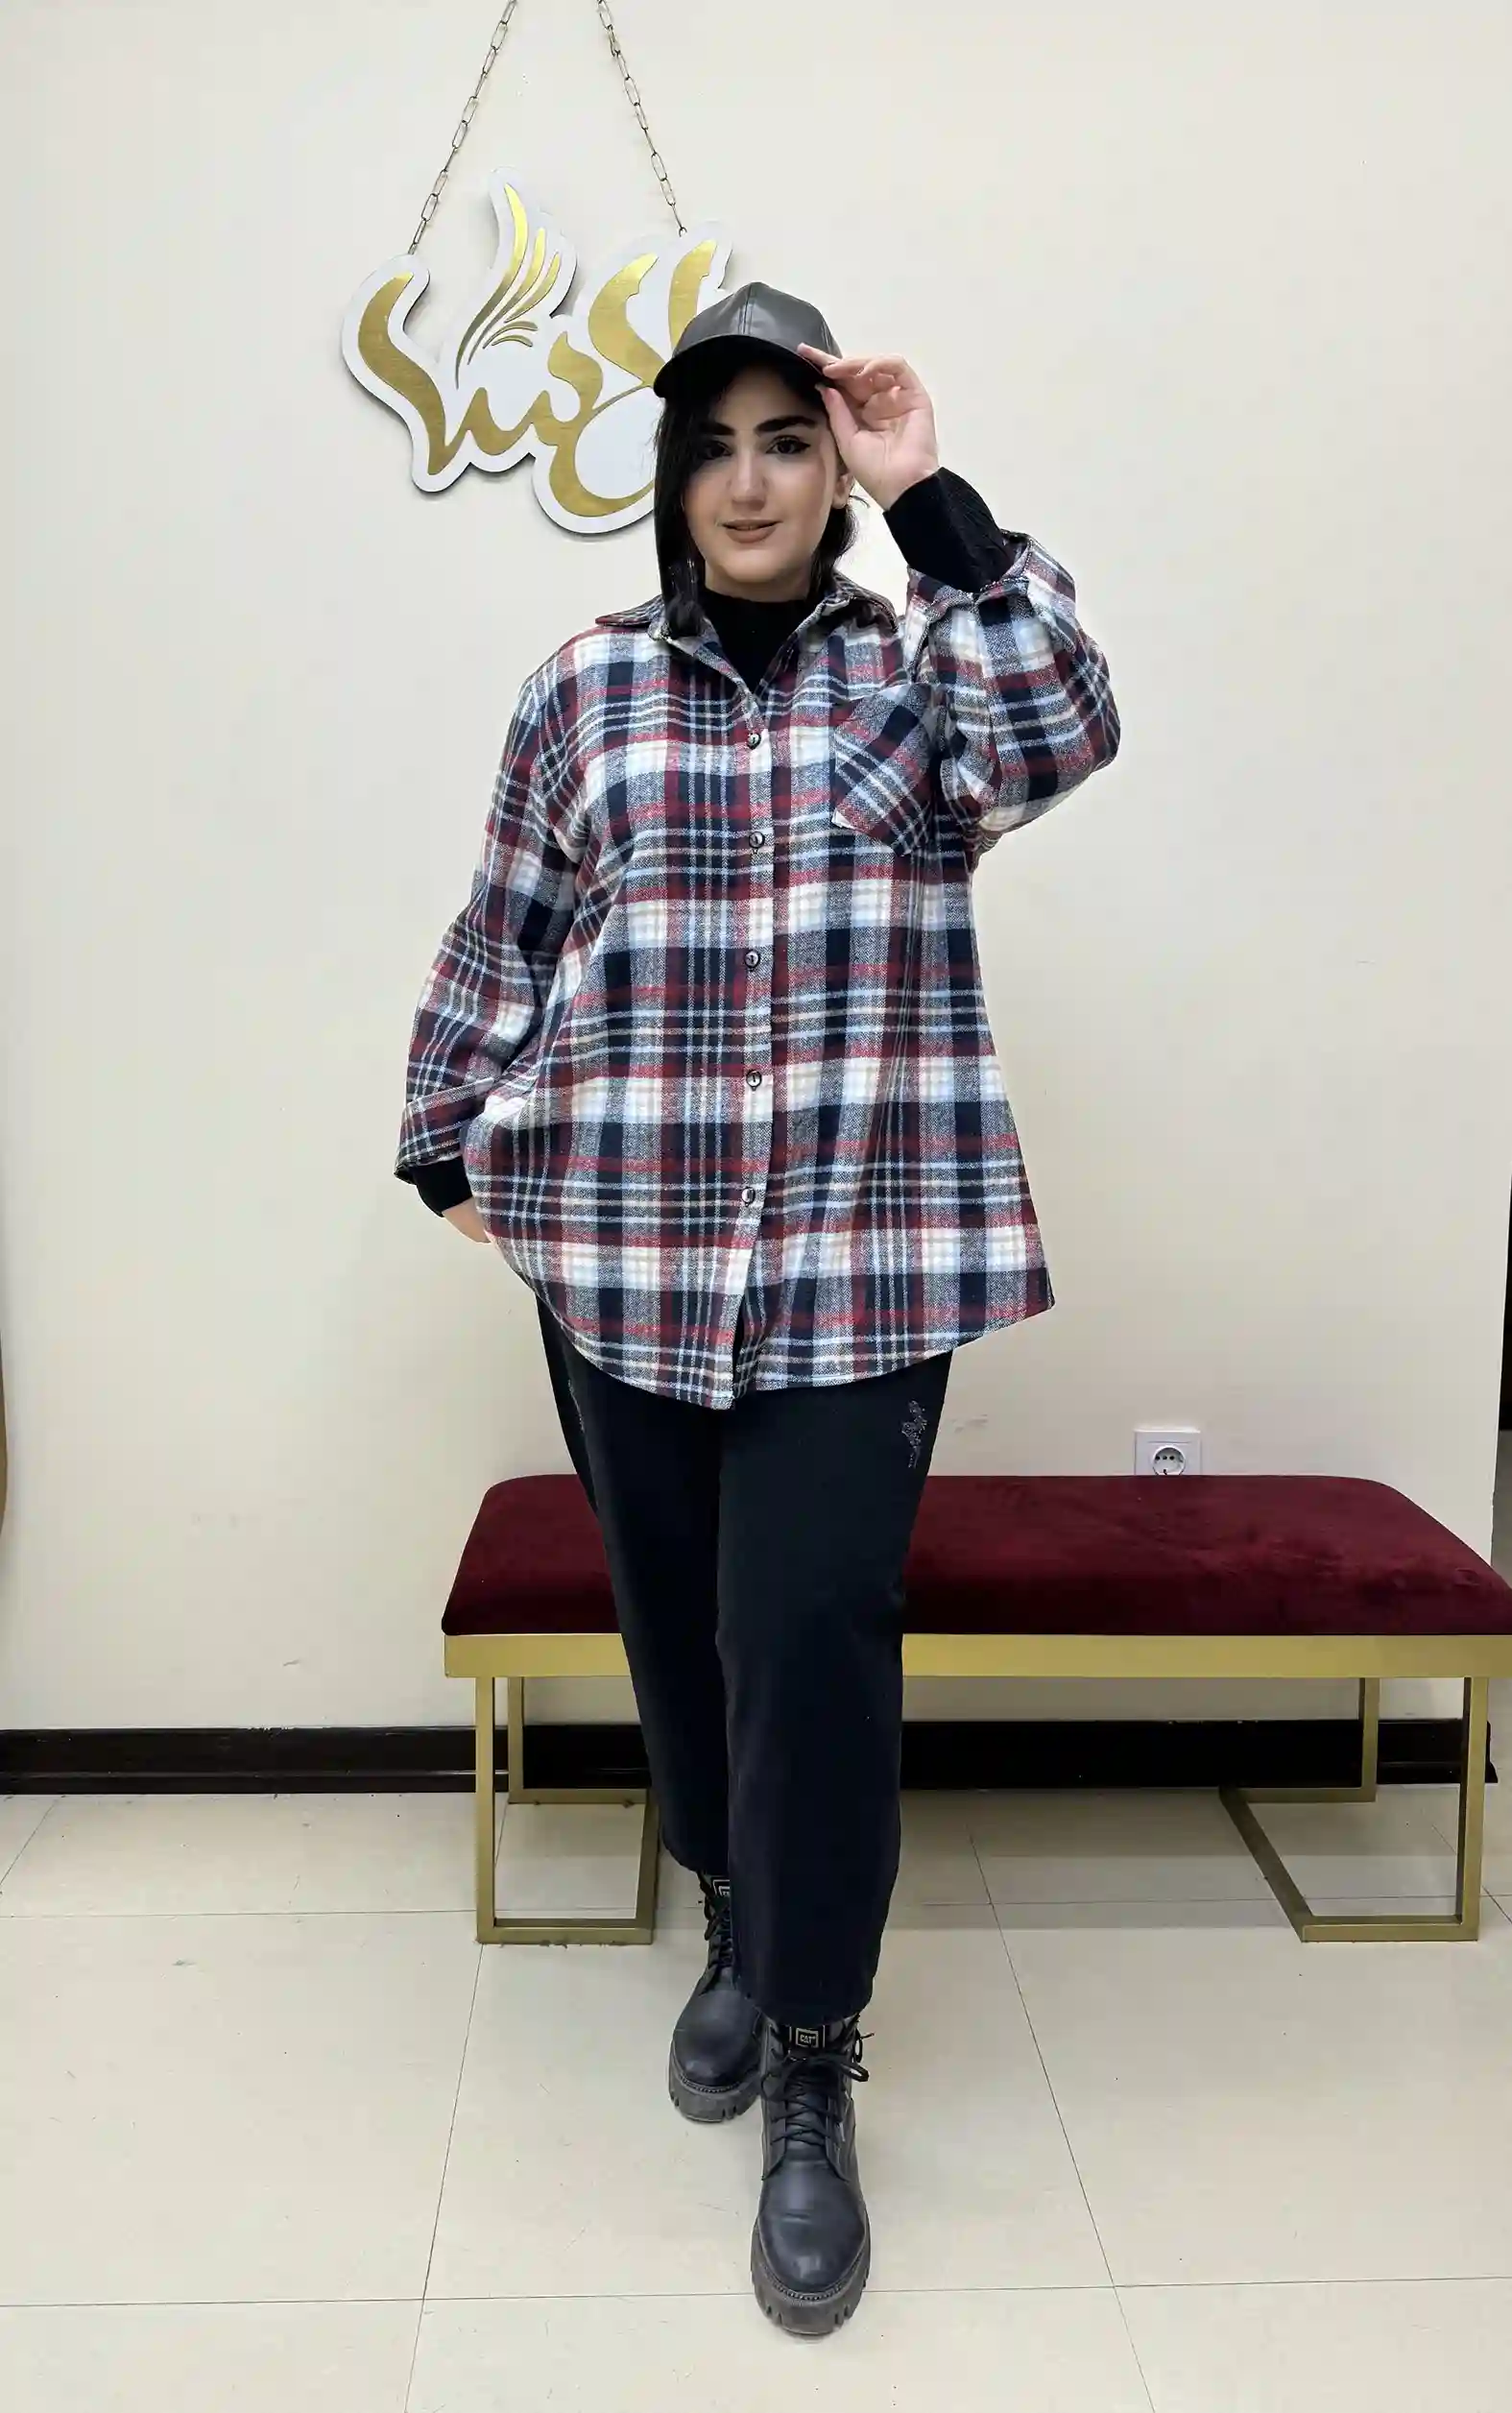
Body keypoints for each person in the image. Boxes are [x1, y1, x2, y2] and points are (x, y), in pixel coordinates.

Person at [396, 282, 1120, 2336]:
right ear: (669, 476)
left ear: (829, 470)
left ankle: (811, 2047)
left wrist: (930, 491)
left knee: (808, 1634)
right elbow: (511, 922)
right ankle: (730, 1906)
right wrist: (446, 1135)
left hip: (856, 1263)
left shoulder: (923, 678)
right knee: (679, 1621)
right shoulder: (585, 687)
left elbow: (1067, 722)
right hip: (624, 1252)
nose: (748, 483)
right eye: (714, 445)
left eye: (786, 442)